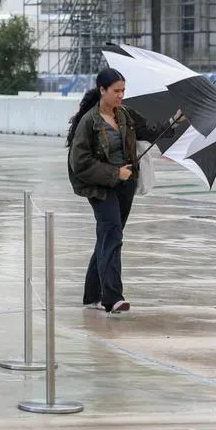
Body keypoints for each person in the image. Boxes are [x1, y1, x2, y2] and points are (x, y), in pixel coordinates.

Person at [65, 69, 183, 314]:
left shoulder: (126, 116)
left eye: (123, 91)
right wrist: (114, 174)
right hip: (100, 189)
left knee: (107, 238)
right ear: (102, 90)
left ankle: (91, 295)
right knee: (113, 236)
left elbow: (151, 131)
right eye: (116, 91)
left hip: (125, 186)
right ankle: (113, 298)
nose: (120, 96)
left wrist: (174, 120)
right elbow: (80, 163)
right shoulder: (89, 122)